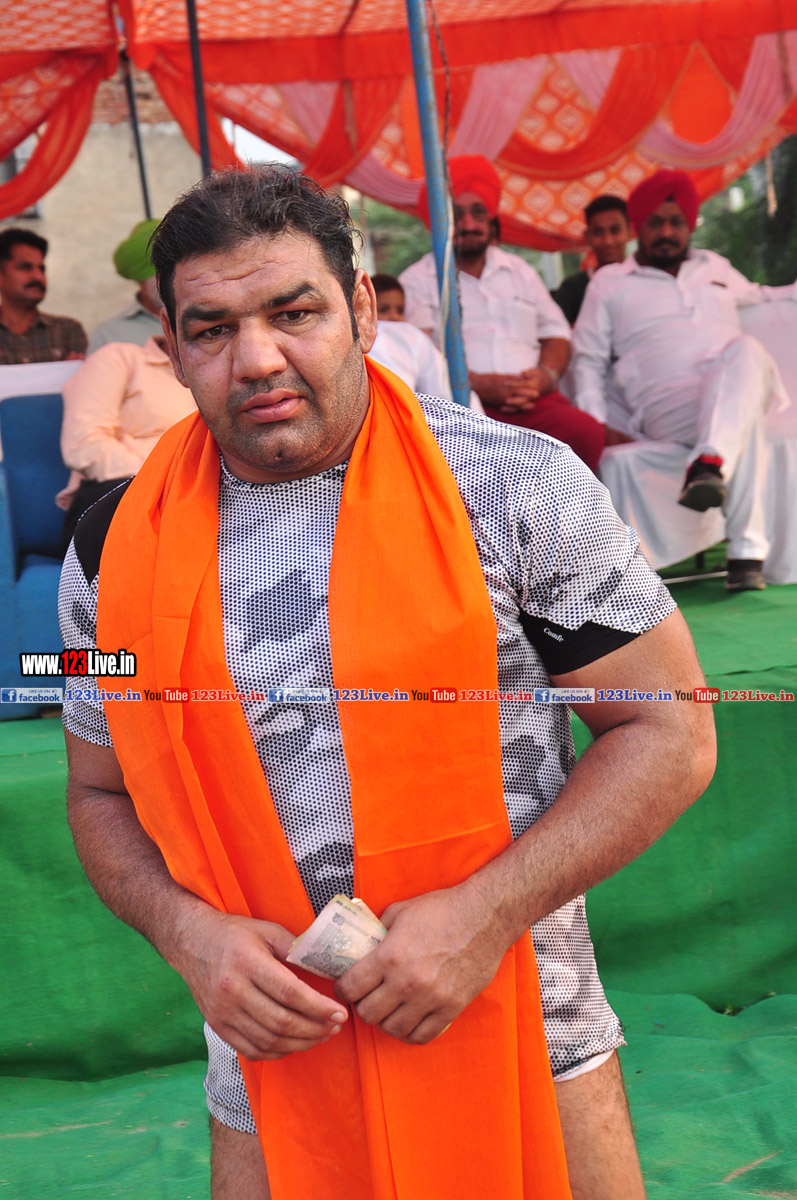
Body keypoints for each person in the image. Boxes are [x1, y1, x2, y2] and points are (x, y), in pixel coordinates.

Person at [59, 165, 716, 1200]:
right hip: (268, 1064)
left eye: (294, 312)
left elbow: (671, 732)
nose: (257, 359)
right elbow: (98, 791)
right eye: (213, 329)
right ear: (173, 350)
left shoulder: (513, 486)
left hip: (524, 1037)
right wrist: (189, 937)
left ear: (362, 310)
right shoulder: (107, 551)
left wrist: (486, 913)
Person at [572, 168, 795, 593]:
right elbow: (587, 359)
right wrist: (596, 425)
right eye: (655, 222)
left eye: (676, 222)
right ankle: (745, 549)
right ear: (638, 227)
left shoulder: (715, 266)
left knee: (746, 354)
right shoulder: (609, 283)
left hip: (732, 388)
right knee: (744, 412)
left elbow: (764, 296)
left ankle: (711, 469)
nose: (666, 232)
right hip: (666, 407)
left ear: (690, 225)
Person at [399, 155, 605, 473]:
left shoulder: (519, 270)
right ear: (440, 219)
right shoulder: (417, 280)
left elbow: (557, 334)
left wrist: (544, 377)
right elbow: (418, 355)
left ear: (491, 216)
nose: (469, 225)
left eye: (478, 213)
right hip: (464, 410)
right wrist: (476, 384)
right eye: (457, 214)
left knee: (585, 433)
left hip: (535, 402)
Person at [59, 333, 197, 547]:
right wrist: (165, 480)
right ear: (166, 322)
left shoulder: (221, 373)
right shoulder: (119, 359)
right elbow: (83, 445)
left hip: (197, 498)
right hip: (120, 493)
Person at [0, 228, 87, 364]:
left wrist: (74, 369)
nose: (38, 276)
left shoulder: (68, 331)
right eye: (25, 267)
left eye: (42, 269)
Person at [368, 273, 456, 402]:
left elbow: (440, 389)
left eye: (400, 310)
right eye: (383, 309)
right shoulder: (356, 338)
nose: (393, 316)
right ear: (364, 308)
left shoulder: (412, 336)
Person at [87, 219, 164, 353]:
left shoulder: (204, 320)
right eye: (162, 273)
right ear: (140, 279)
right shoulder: (109, 336)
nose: (174, 281)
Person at [551, 196, 631, 325]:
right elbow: (556, 332)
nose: (607, 241)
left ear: (630, 231)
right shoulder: (572, 289)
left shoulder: (647, 281)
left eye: (615, 230)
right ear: (587, 236)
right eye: (598, 232)